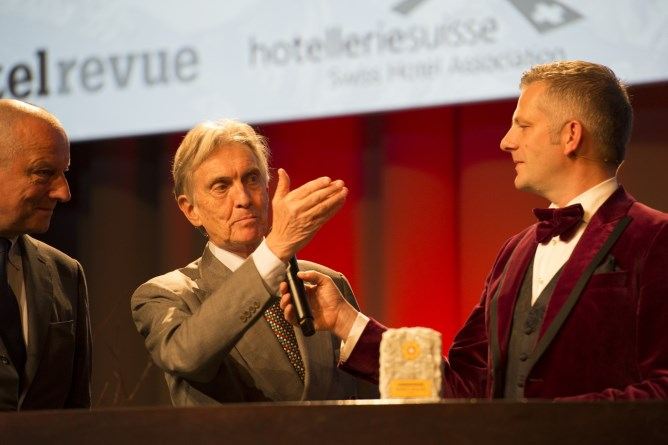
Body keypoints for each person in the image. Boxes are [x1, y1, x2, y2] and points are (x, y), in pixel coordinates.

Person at [280, 60, 668, 400]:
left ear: (571, 135)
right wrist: (344, 320)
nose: (506, 141)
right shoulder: (515, 252)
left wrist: (547, 425)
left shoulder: (655, 238)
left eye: (523, 125)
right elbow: (465, 386)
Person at [131, 119, 377, 405]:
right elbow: (186, 355)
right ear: (190, 210)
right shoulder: (165, 294)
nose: (244, 198)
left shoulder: (327, 283)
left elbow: (373, 399)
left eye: (251, 179)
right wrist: (274, 251)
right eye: (221, 186)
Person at [0, 99, 91, 410]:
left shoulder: (65, 272)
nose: (63, 192)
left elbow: (76, 411)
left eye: (63, 173)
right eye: (43, 172)